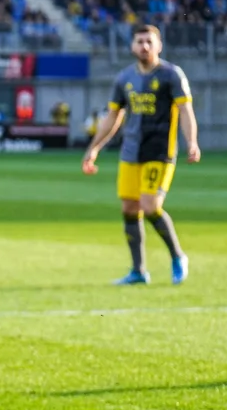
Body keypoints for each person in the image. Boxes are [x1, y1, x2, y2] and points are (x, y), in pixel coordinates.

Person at [82, 24, 200, 285]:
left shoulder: (171, 75)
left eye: (149, 41)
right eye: (139, 41)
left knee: (150, 206)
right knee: (129, 208)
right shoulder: (124, 79)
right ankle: (138, 271)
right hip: (130, 152)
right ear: (132, 46)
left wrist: (192, 141)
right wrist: (94, 149)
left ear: (159, 45)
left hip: (159, 152)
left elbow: (185, 111)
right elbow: (113, 117)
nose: (144, 46)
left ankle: (178, 256)